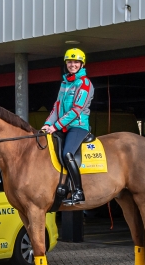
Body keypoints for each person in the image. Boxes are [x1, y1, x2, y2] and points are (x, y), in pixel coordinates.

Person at [40, 48, 94, 205]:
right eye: (70, 62)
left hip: (78, 126)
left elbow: (77, 110)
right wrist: (47, 124)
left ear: (82, 64)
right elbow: (57, 107)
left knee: (67, 153)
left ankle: (78, 191)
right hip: (63, 127)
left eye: (76, 62)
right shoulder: (65, 83)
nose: (73, 65)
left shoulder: (84, 83)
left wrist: (55, 126)